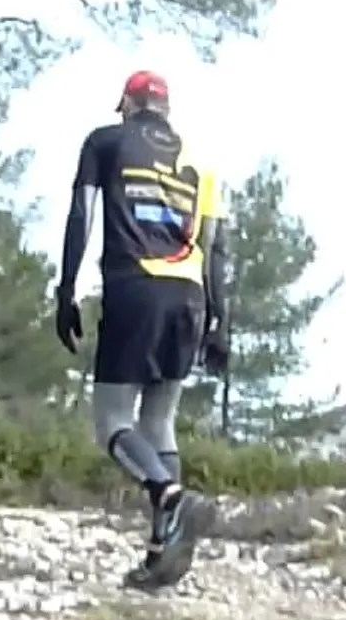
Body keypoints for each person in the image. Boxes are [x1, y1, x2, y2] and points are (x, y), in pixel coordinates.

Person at [54, 70, 231, 592]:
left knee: (111, 422)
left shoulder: (106, 141)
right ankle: (161, 556)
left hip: (135, 288)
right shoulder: (203, 160)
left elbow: (82, 213)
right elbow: (217, 246)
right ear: (166, 108)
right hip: (191, 300)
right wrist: (222, 324)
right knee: (159, 423)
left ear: (129, 106)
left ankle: (169, 496)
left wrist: (65, 290)